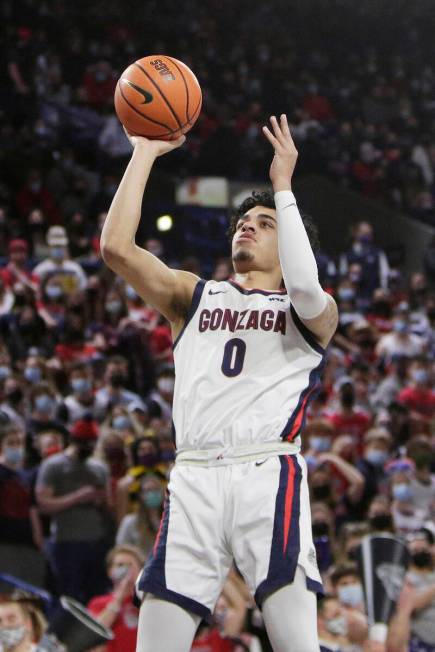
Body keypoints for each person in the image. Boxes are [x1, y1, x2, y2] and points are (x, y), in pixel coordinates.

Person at [101, 114, 338, 652]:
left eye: (264, 222)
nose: (246, 227)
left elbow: (304, 283)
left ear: (292, 240)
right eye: (242, 222)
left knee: (295, 643)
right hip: (194, 477)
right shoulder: (194, 295)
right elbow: (116, 247)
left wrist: (283, 188)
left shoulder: (311, 313)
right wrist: (143, 150)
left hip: (266, 471)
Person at [88, 544, 145, 652]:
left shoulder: (146, 602)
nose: (125, 570)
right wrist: (119, 598)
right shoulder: (98, 603)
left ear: (140, 571)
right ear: (110, 571)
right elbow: (93, 633)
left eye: (130, 565)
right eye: (120, 565)